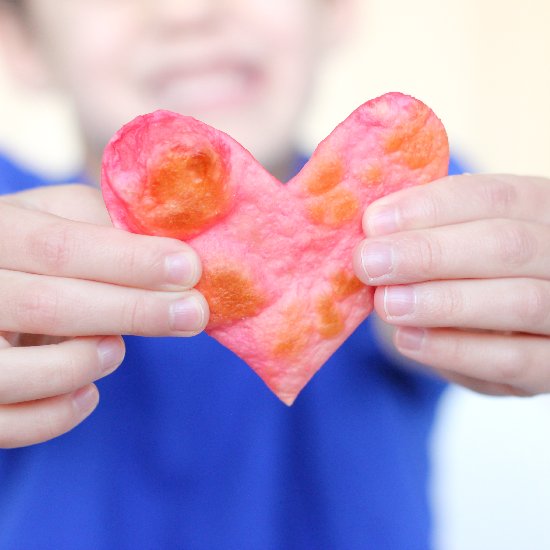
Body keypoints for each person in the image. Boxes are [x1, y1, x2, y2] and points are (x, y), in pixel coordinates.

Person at [0, 0, 548, 548]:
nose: (184, 12)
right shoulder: (10, 227)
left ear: (333, 8)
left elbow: (435, 294)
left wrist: (472, 302)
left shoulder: (398, 199)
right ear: (22, 40)